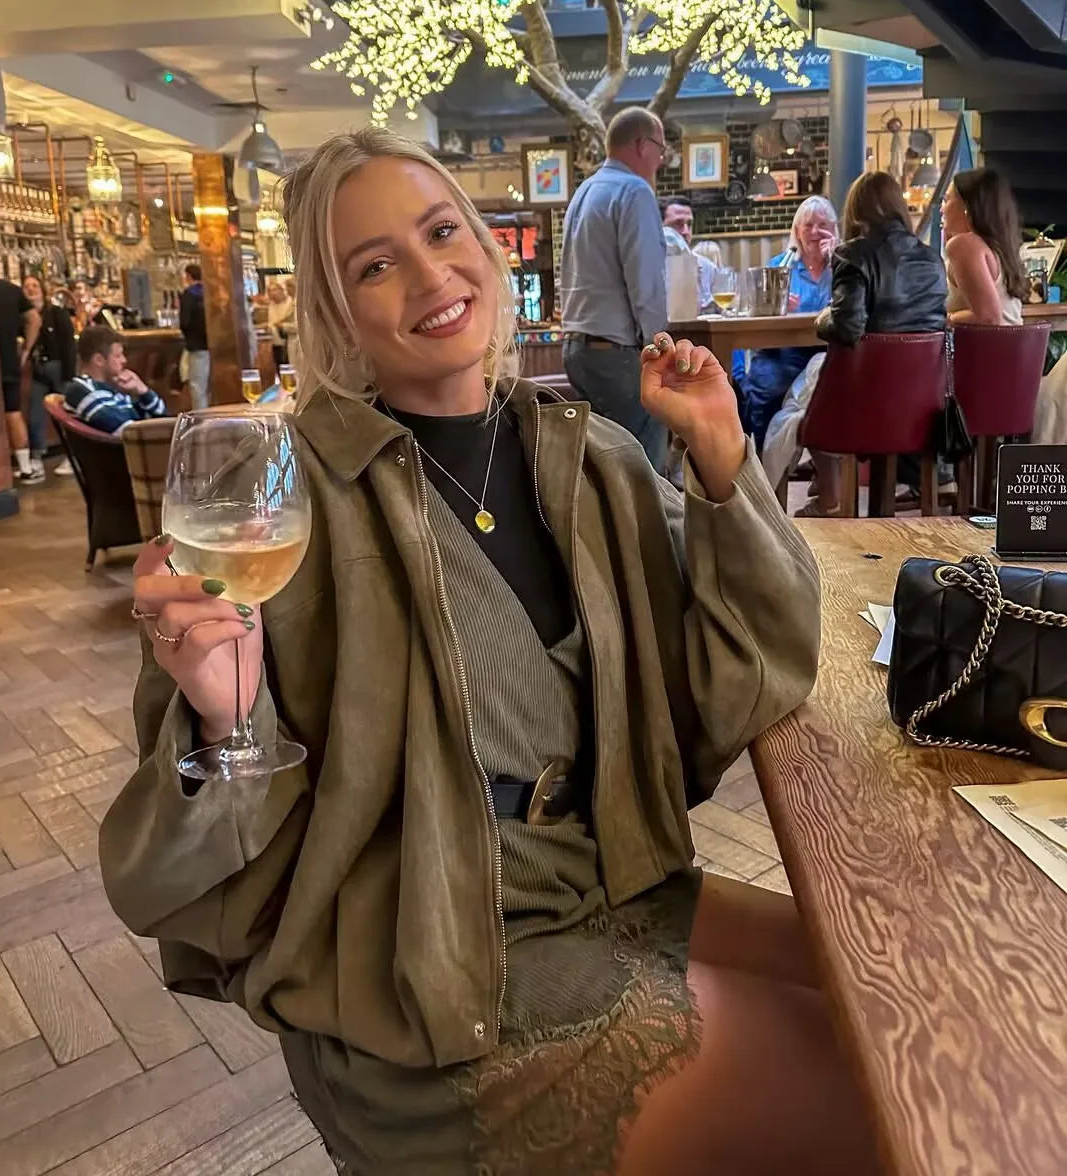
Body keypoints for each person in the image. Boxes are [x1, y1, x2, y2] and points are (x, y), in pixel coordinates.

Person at [99, 127, 880, 1176]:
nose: (430, 277)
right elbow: (171, 878)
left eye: (440, 233)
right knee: (866, 1088)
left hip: (609, 880)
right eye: (374, 265)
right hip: (425, 970)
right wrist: (224, 714)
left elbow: (759, 665)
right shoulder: (284, 498)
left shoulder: (593, 460)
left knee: (888, 999)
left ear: (485, 246)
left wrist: (719, 452)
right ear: (334, 313)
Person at [763, 172, 947, 513]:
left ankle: (816, 497)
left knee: (800, 401)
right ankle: (829, 490)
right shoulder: (932, 259)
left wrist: (822, 317)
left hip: (866, 401)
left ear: (855, 211)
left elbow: (847, 327)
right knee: (811, 385)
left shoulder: (853, 254)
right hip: (921, 402)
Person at [561, 107, 669, 471]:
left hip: (578, 350)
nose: (660, 160)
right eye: (660, 149)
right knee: (645, 470)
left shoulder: (585, 191)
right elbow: (646, 281)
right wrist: (660, 348)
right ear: (641, 144)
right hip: (615, 353)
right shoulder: (634, 191)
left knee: (607, 469)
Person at [743, 197, 838, 449]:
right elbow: (757, 314)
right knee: (766, 384)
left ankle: (827, 462)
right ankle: (764, 460)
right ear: (797, 231)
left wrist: (835, 261)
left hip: (829, 350)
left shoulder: (843, 265)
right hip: (784, 351)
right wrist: (778, 307)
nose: (815, 232)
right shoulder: (780, 266)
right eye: (808, 225)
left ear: (833, 229)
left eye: (822, 225)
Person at [941, 168, 1025, 326]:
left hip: (988, 342)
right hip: (1016, 341)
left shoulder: (963, 245)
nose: (942, 209)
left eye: (947, 200)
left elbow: (988, 317)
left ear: (967, 207)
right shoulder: (999, 247)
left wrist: (944, 319)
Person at [64, 326, 167, 435]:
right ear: (99, 360)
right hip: (122, 446)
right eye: (118, 356)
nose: (124, 360)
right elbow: (129, 432)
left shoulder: (114, 387)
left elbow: (162, 417)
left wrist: (143, 391)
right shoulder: (81, 390)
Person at [0, 274, 43, 484]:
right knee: (12, 412)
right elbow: (35, 319)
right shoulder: (10, 290)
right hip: (7, 360)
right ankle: (25, 467)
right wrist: (26, 349)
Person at [23, 275, 76, 476]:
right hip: (39, 370)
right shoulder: (24, 317)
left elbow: (69, 345)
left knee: (65, 414)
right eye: (27, 286)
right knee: (35, 414)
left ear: (42, 290)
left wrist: (68, 374)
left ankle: (72, 457)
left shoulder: (56, 313)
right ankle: (36, 458)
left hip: (58, 368)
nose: (31, 289)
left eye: (35, 285)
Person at [177, 262, 211, 409]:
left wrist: (188, 336)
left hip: (197, 345)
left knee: (198, 386)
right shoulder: (210, 292)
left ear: (188, 276)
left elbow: (184, 322)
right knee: (210, 386)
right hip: (215, 345)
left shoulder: (189, 294)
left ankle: (201, 417)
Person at [266, 276, 297, 369]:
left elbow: (295, 324)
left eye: (275, 290)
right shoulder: (271, 306)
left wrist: (282, 325)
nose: (273, 293)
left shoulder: (291, 303)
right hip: (277, 342)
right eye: (270, 291)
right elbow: (272, 323)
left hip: (292, 340)